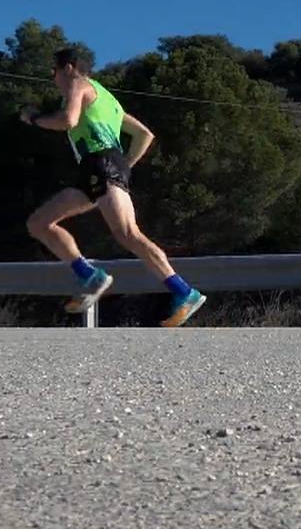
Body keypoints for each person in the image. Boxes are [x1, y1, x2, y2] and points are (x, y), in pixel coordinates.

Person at [22, 48, 206, 326]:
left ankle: (184, 292)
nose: (54, 78)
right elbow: (145, 134)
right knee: (39, 223)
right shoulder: (108, 99)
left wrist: (34, 119)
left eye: (54, 72)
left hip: (100, 163)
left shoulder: (77, 84)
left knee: (128, 234)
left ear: (69, 68)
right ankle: (89, 275)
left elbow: (68, 120)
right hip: (98, 168)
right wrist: (125, 165)